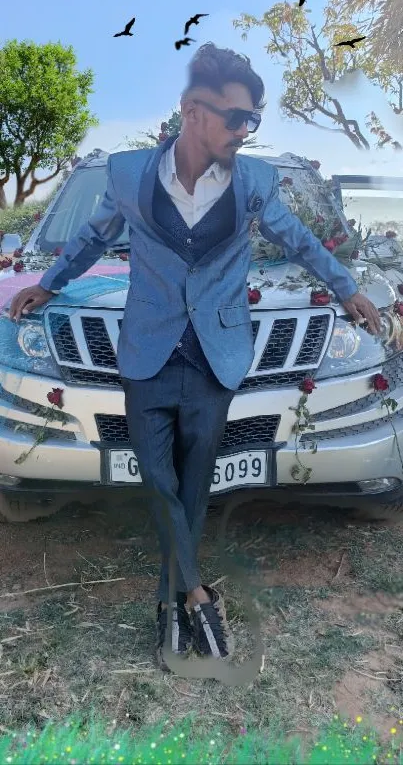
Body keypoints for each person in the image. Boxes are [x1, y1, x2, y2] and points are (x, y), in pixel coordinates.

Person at [9, 42, 381, 672]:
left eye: (253, 121)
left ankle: (168, 607)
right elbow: (91, 237)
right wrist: (49, 284)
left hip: (216, 354)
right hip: (147, 349)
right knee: (158, 479)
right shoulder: (128, 174)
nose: (246, 131)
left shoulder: (257, 182)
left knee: (193, 483)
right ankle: (195, 593)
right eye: (237, 118)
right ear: (192, 112)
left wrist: (348, 288)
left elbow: (299, 241)